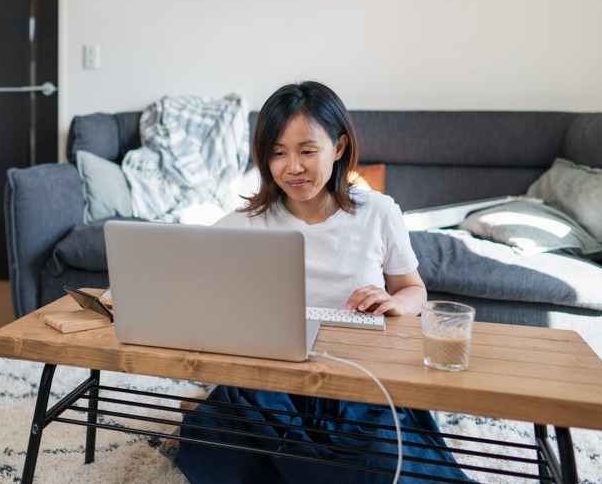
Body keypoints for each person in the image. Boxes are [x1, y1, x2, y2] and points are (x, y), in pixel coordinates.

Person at [171, 81, 470, 483]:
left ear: (339, 148)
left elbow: (413, 289)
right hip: (271, 379)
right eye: (277, 154)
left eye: (307, 151)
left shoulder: (378, 212)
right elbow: (182, 277)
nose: (292, 167)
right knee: (216, 452)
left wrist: (397, 302)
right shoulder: (244, 223)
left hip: (356, 379)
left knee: (382, 465)